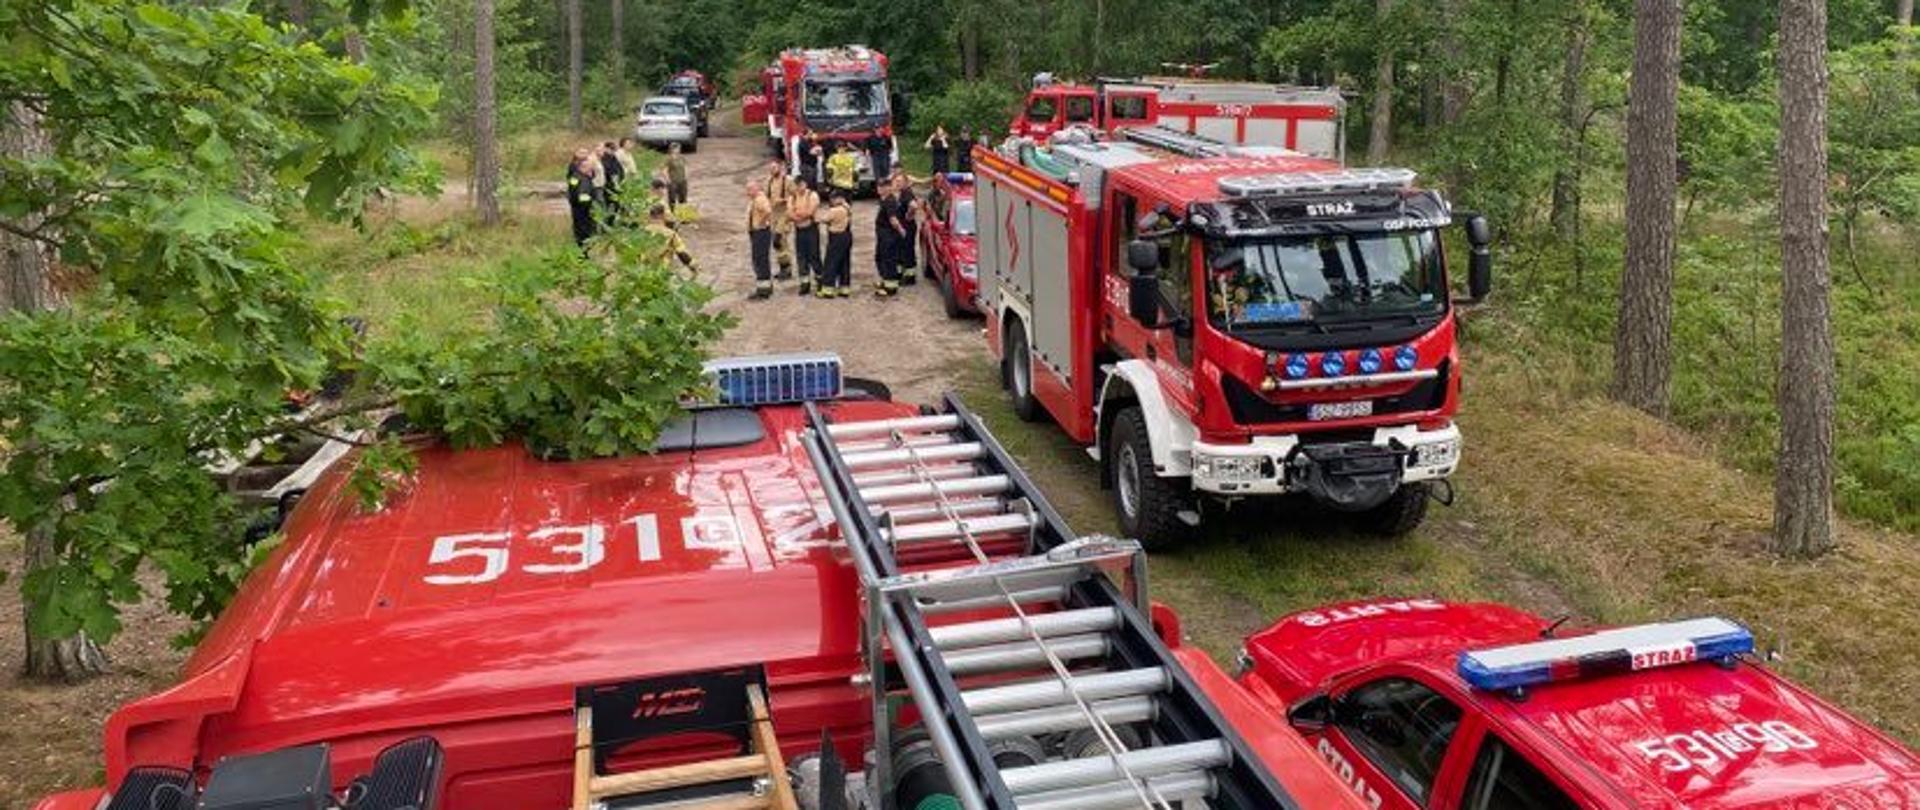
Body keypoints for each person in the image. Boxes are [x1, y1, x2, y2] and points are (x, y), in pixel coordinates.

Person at [872, 175, 906, 297]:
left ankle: (890, 288)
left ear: (887, 188)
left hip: (888, 236)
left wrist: (901, 230)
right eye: (878, 186)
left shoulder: (889, 201)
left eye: (882, 186)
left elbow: (893, 219)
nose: (879, 188)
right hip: (883, 235)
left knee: (888, 260)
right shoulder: (885, 199)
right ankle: (885, 281)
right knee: (880, 258)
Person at [789, 177, 823, 296]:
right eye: (797, 185)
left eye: (801, 185)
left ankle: (820, 281)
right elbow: (789, 213)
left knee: (814, 255)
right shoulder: (793, 197)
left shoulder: (813, 195)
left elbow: (810, 212)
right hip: (799, 230)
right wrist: (798, 216)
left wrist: (799, 215)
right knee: (801, 257)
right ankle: (805, 284)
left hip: (811, 229)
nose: (799, 188)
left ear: (805, 184)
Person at [819, 191, 853, 298]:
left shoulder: (835, 210)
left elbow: (823, 219)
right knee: (844, 263)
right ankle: (844, 289)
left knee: (830, 263)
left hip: (837, 237)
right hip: (846, 236)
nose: (831, 201)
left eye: (833, 199)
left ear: (839, 198)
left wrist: (818, 216)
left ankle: (828, 289)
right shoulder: (847, 207)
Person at [765, 160, 795, 280]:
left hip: (784, 214)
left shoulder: (788, 180)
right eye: (771, 168)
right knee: (776, 243)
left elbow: (795, 196)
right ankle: (783, 268)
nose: (772, 170)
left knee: (780, 239)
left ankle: (787, 269)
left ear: (780, 168)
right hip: (773, 215)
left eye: (775, 168)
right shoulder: (769, 181)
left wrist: (783, 200)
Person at [647, 203, 698, 274]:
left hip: (641, 271)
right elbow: (682, 253)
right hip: (661, 271)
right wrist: (693, 268)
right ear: (661, 215)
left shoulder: (641, 231)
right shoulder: (670, 234)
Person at [745, 180, 775, 299]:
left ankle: (763, 290)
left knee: (760, 260)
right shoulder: (755, 199)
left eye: (750, 189)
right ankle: (766, 287)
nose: (747, 192)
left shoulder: (760, 199)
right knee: (760, 259)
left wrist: (761, 222)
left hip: (761, 232)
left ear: (757, 188)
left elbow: (768, 211)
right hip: (757, 232)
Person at [565, 148, 600, 248]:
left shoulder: (575, 177)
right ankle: (585, 251)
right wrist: (591, 206)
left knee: (579, 230)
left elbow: (571, 189)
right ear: (584, 168)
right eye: (591, 168)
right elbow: (583, 197)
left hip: (577, 209)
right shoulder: (583, 180)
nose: (592, 170)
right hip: (584, 211)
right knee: (585, 232)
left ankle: (583, 248)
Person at [890, 171, 920, 286]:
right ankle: (900, 273)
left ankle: (909, 277)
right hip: (901, 226)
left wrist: (909, 215)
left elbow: (914, 205)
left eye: (900, 181)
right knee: (899, 250)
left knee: (906, 251)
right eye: (896, 181)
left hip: (907, 227)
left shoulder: (906, 193)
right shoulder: (898, 193)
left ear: (906, 183)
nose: (897, 184)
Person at [598, 141, 626, 221]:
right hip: (608, 185)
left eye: (614, 149)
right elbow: (607, 170)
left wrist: (620, 178)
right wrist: (613, 178)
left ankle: (612, 221)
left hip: (617, 185)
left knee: (617, 204)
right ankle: (607, 222)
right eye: (611, 149)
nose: (613, 151)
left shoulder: (614, 158)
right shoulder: (604, 158)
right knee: (609, 205)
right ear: (606, 149)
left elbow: (620, 169)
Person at [665, 142, 689, 209]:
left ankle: (682, 213)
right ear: (672, 149)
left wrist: (686, 176)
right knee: (672, 198)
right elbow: (665, 170)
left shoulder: (682, 157)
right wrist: (668, 179)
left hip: (682, 180)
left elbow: (685, 167)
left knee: (683, 197)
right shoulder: (669, 159)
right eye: (677, 148)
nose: (679, 150)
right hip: (673, 181)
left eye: (679, 148)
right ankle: (673, 212)